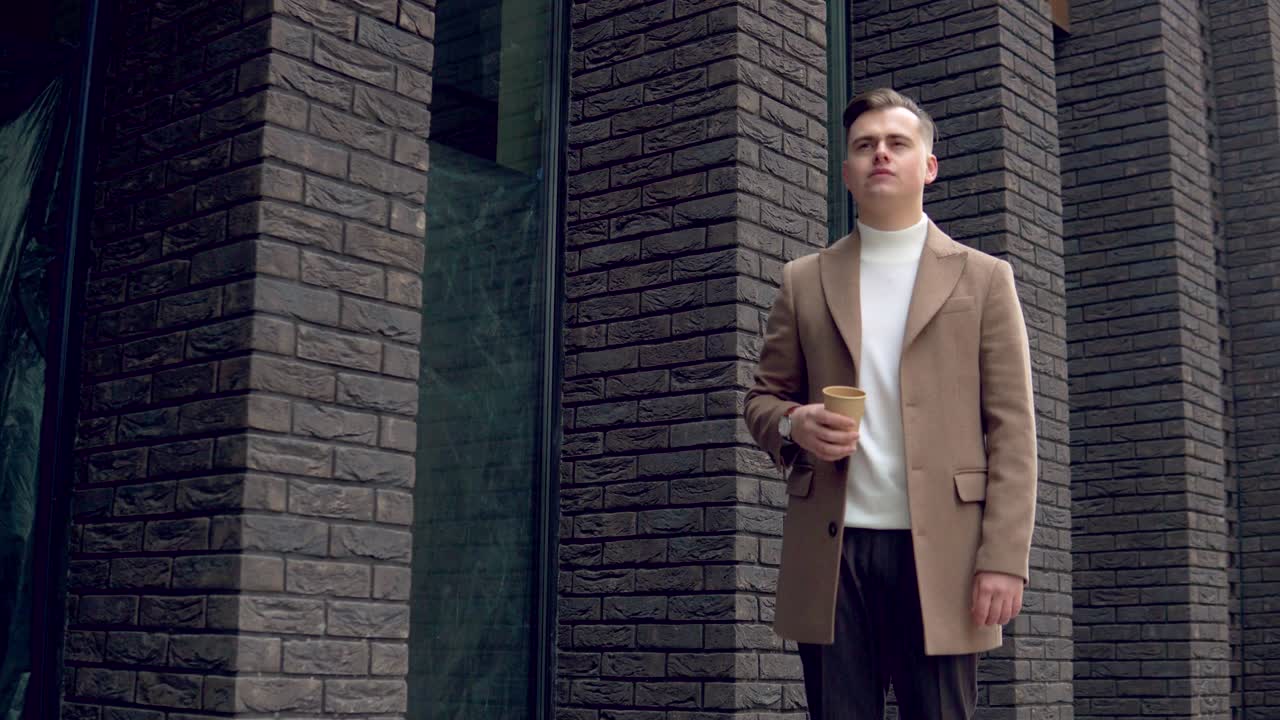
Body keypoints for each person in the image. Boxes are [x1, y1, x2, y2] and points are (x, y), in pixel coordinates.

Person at [743, 88, 1038, 720]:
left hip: (945, 554)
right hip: (833, 550)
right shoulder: (804, 280)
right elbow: (762, 399)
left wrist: (1004, 560)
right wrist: (795, 423)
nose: (881, 154)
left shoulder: (985, 279)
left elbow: (1012, 429)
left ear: (928, 165)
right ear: (847, 171)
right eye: (864, 145)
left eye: (897, 143)